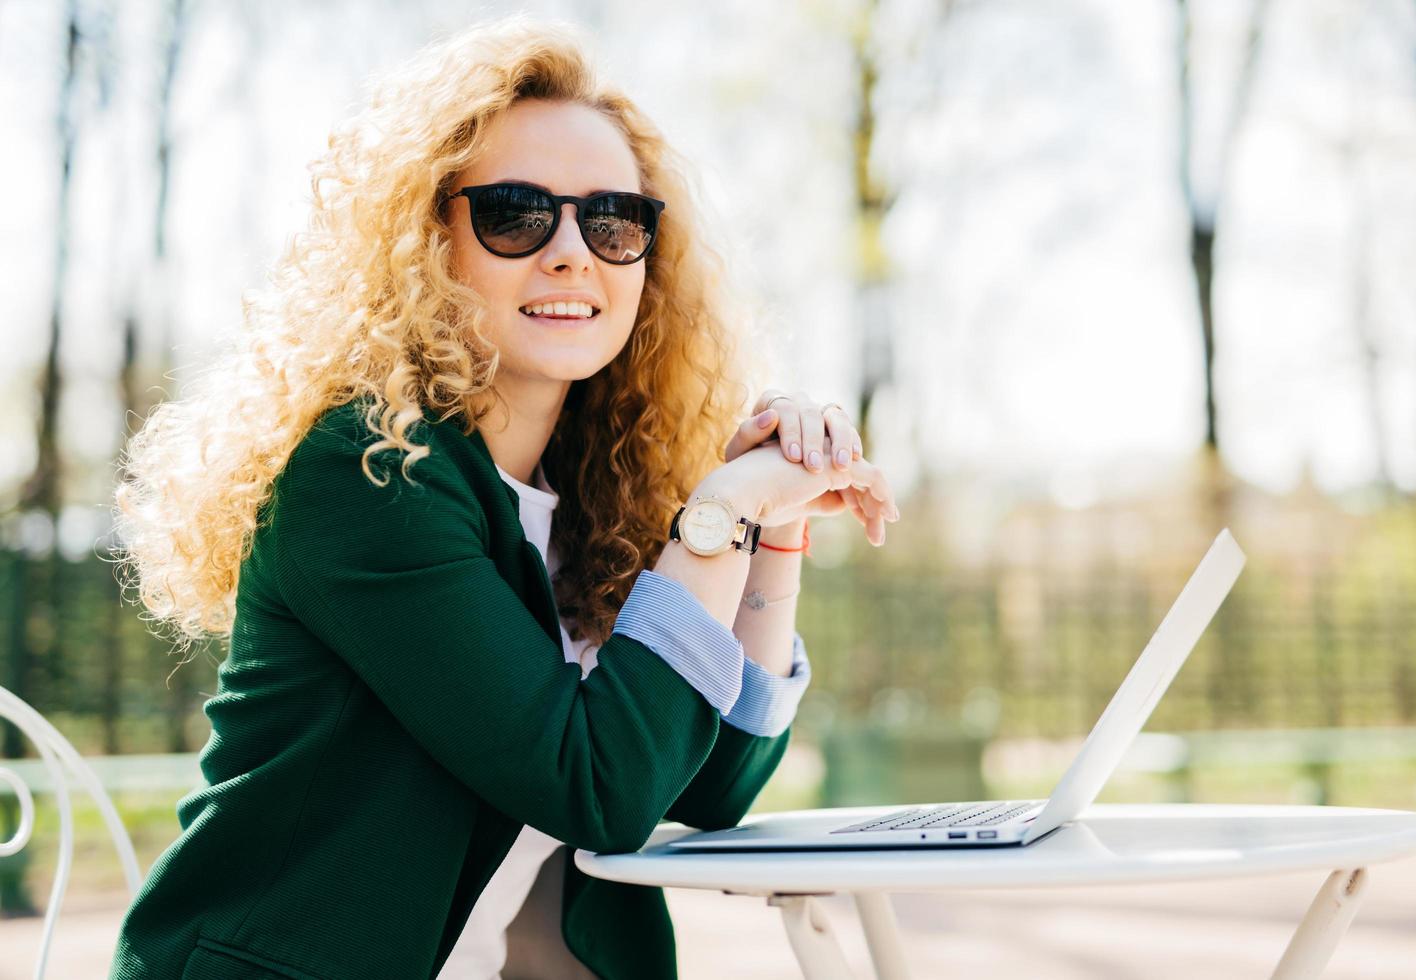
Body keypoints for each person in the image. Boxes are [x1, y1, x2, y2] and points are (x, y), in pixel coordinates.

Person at [108, 14, 899, 980]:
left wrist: (767, 536)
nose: (572, 253)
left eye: (612, 220)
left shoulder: (602, 482)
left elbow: (712, 785)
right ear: (426, 241)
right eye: (517, 213)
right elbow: (597, 785)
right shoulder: (364, 473)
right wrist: (719, 514)